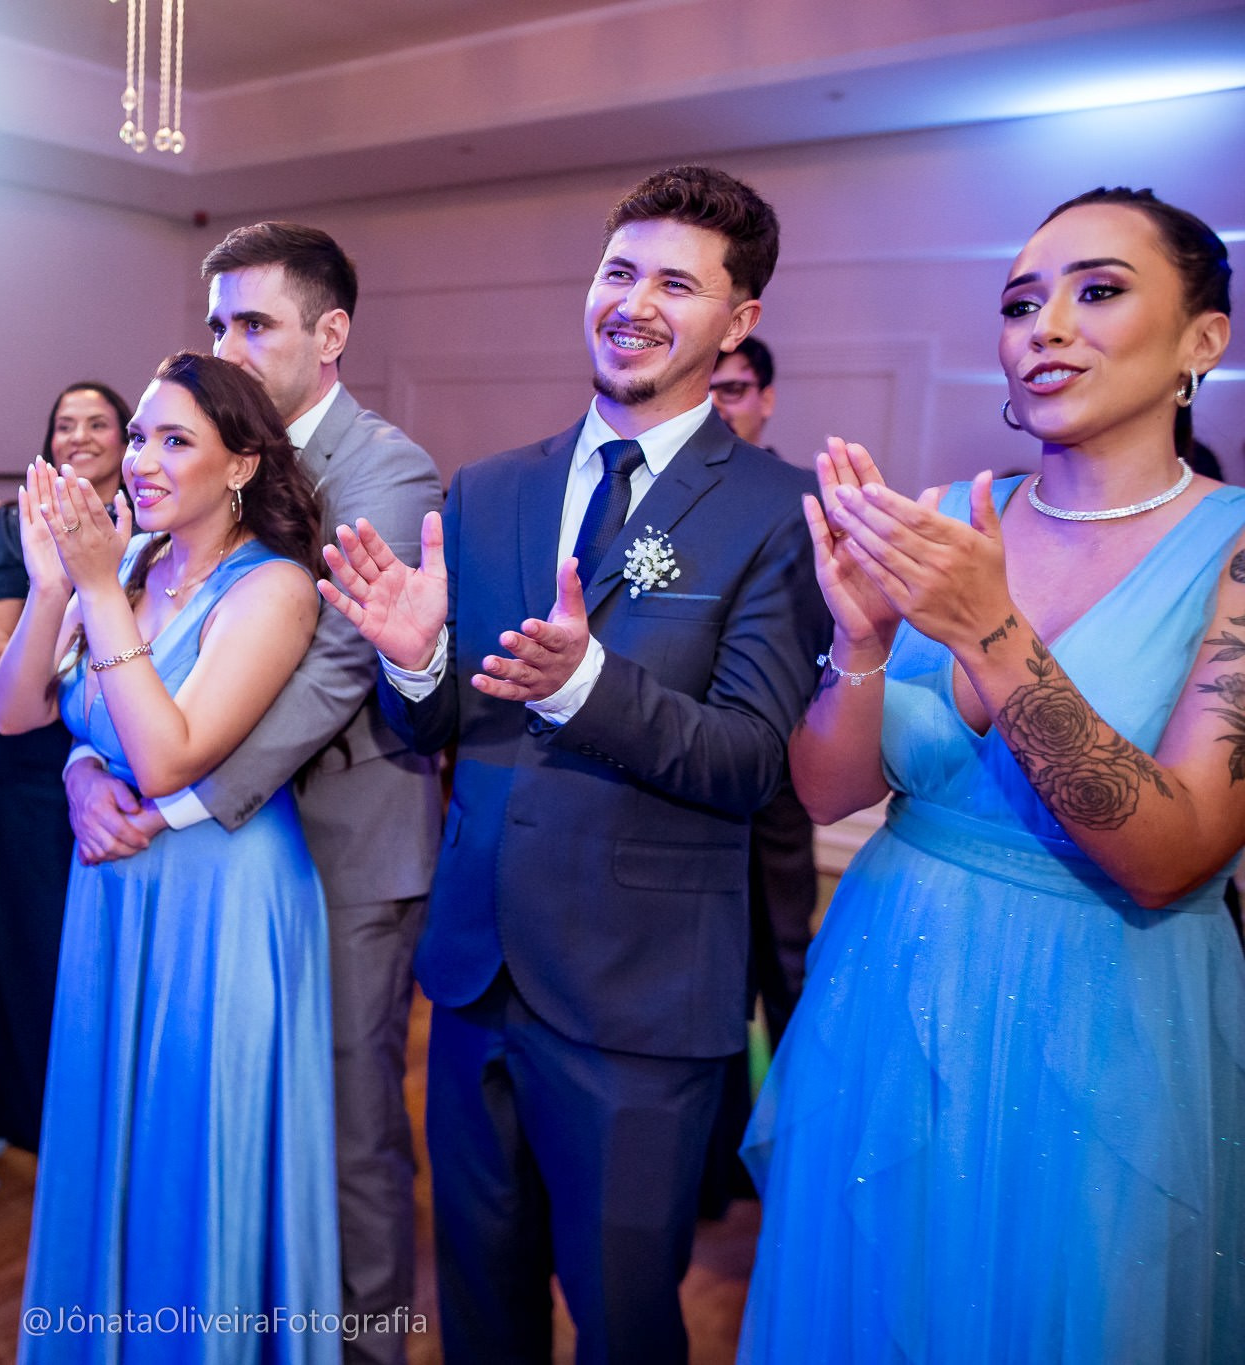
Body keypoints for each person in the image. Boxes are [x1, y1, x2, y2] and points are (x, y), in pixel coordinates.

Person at [322, 166, 830, 1364]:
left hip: (639, 998)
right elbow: (433, 731)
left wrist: (586, 685)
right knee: (481, 1309)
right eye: (616, 271)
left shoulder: (776, 511)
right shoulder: (490, 489)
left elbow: (751, 762)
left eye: (674, 282)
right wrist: (409, 665)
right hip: (476, 972)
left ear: (736, 320)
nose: (632, 302)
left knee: (620, 1319)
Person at [739, 189, 1245, 1361]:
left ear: (1201, 342)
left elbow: (1171, 856)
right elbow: (825, 793)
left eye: (1097, 291)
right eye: (1020, 301)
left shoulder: (1231, 556)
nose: (1044, 325)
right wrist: (858, 647)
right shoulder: (945, 520)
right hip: (887, 986)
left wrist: (990, 632)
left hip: (1098, 1019)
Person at [63, 223, 443, 1365]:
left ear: (328, 337)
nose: (226, 341)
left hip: (337, 846)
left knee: (345, 1134)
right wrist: (92, 767)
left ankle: (363, 1351)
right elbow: (119, 660)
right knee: (203, 1120)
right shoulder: (184, 468)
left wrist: (166, 795)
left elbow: (330, 669)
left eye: (254, 323)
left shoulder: (385, 467)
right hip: (195, 852)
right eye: (217, 321)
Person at [0, 352, 340, 1363]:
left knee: (195, 1150)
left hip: (221, 898)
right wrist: (53, 587)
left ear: (240, 465)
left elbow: (167, 753)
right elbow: (20, 712)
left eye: (173, 439)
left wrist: (96, 588)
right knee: (116, 1142)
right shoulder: (131, 565)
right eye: (138, 436)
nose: (139, 459)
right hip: (114, 891)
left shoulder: (274, 588)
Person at [0, 379, 132, 1154]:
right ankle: (29, 1113)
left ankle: (101, 1112)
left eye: (98, 421)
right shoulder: (13, 524)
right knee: (27, 937)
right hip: (26, 761)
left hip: (120, 751)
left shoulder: (149, 521)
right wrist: (73, 660)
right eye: (65, 422)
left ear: (126, 436)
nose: (80, 434)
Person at [697, 334, 818, 1220]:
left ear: (766, 398)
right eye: (712, 391)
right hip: (682, 780)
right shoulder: (672, 504)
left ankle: (797, 1156)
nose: (723, 405)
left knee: (784, 963)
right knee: (702, 971)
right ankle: (709, 1163)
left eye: (735, 389)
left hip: (778, 781)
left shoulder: (800, 506)